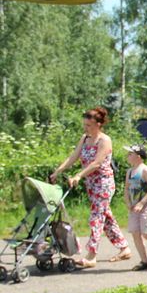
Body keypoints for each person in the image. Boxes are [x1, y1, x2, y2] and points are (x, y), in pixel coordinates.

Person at [49, 107, 130, 268]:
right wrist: (58, 171)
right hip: (91, 184)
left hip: (103, 184)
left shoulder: (104, 140)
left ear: (99, 124)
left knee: (96, 218)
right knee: (106, 217)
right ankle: (124, 248)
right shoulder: (85, 138)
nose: (86, 128)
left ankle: (91, 256)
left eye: (89, 125)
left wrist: (78, 175)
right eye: (85, 125)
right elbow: (74, 156)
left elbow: (97, 163)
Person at [123, 145, 147, 271]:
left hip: (146, 206)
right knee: (135, 233)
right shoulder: (129, 172)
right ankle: (144, 261)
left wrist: (142, 203)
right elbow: (126, 188)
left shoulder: (145, 170)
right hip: (134, 208)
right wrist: (127, 202)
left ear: (138, 156)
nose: (128, 156)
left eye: (130, 154)